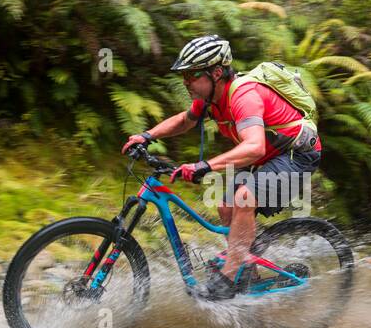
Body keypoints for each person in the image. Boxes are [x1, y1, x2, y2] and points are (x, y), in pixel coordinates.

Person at [121, 34, 321, 300]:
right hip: (265, 156)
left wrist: (204, 166)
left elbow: (254, 147)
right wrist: (147, 136)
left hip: (296, 154)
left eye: (192, 75)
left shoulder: (243, 96)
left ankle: (229, 276)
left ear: (216, 73)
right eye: (185, 75)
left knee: (244, 197)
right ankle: (247, 273)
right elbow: (185, 120)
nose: (186, 81)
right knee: (225, 207)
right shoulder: (210, 99)